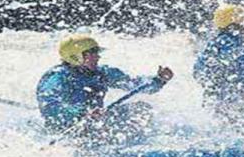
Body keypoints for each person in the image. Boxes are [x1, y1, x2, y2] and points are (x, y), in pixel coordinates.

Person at [36, 34, 173, 142]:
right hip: (69, 128)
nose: (98, 56)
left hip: (95, 121)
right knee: (92, 130)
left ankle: (127, 143)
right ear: (75, 56)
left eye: (96, 52)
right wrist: (81, 113)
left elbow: (135, 84)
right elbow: (49, 107)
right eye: (92, 52)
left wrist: (159, 80)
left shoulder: (102, 73)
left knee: (141, 108)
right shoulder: (56, 77)